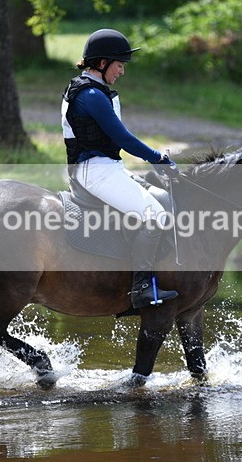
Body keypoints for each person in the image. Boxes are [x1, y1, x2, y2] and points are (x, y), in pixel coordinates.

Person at [61, 28, 179, 309]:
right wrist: (158, 158)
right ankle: (141, 288)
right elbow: (122, 138)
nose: (122, 72)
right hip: (96, 172)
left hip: (106, 167)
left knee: (160, 198)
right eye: (119, 65)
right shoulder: (90, 95)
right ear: (102, 63)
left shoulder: (93, 89)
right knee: (155, 218)